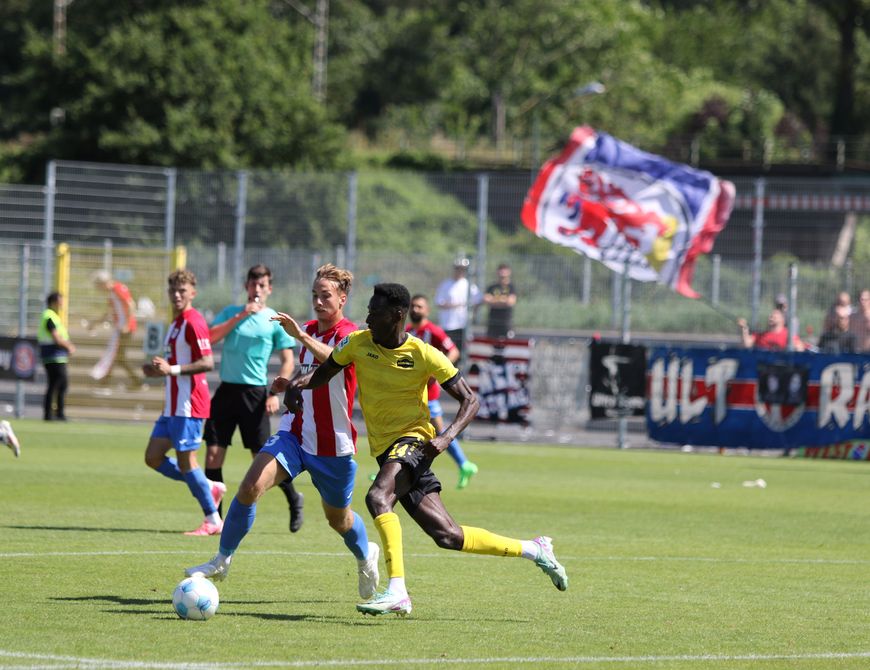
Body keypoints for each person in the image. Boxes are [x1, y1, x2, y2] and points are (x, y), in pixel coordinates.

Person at [284, 282, 568, 616]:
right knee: (448, 536)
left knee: (377, 497)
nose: (367, 317)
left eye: (374, 311)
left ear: (396, 315)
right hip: (387, 450)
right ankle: (534, 549)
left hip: (414, 441)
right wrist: (296, 384)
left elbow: (470, 400)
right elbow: (325, 372)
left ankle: (397, 591)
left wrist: (446, 437)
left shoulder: (423, 353)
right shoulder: (357, 343)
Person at [185, 264, 380, 600]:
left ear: (343, 299)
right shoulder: (304, 331)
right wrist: (288, 385)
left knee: (338, 519)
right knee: (249, 486)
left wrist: (301, 336)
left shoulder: (352, 335)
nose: (318, 302)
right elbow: (312, 376)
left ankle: (366, 557)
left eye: (326, 296)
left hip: (332, 444)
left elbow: (335, 361)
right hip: (295, 433)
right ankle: (222, 558)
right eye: (315, 295)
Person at [203, 264, 303, 532]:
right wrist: (240, 316)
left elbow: (287, 361)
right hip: (226, 392)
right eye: (252, 284)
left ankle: (294, 499)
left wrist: (273, 393)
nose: (256, 289)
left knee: (262, 459)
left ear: (269, 289)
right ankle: (215, 519)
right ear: (246, 286)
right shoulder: (231, 312)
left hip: (255, 394)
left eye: (262, 285)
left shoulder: (274, 320)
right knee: (213, 455)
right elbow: (210, 338)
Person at [142, 269, 224, 536]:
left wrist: (172, 370)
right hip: (173, 406)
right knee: (153, 457)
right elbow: (173, 364)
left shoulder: (193, 321)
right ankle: (207, 485)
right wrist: (156, 370)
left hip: (189, 405)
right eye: (173, 291)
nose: (176, 295)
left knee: (188, 463)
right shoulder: (176, 323)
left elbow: (207, 362)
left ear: (192, 293)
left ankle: (212, 519)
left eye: (182, 291)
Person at [407, 294, 478, 489]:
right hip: (410, 394)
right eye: (413, 306)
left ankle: (464, 464)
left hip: (428, 395)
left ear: (427, 310)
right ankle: (393, 469)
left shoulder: (433, 331)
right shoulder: (406, 332)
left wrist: (437, 373)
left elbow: (453, 351)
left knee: (438, 432)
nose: (415, 310)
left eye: (419, 306)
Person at [90, 270, 140, 386]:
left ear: (104, 282)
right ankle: (105, 381)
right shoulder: (111, 294)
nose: (99, 288)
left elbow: (130, 305)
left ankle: (136, 381)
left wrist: (127, 325)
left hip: (126, 328)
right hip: (120, 328)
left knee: (118, 356)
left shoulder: (118, 289)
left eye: (99, 285)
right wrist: (95, 323)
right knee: (116, 355)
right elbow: (108, 313)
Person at [38, 292, 76, 421]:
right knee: (55, 384)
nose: (62, 303)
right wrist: (68, 346)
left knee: (60, 384)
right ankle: (51, 414)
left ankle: (58, 413)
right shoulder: (49, 316)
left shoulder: (53, 316)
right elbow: (56, 337)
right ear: (53, 302)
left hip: (57, 355)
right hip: (52, 356)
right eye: (60, 300)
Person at [434, 258, 481, 357]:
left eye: (463, 269)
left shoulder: (469, 285)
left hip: (462, 325)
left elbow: (478, 300)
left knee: (460, 353)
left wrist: (473, 316)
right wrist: (456, 305)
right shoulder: (446, 284)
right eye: (458, 268)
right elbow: (439, 302)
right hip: (447, 325)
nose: (460, 271)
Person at [737, 308, 805, 351]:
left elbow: (800, 348)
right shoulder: (761, 335)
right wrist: (744, 329)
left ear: (782, 320)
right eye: (770, 316)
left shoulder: (788, 335)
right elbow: (746, 344)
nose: (771, 317)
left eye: (774, 316)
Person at [483, 263, 517, 339]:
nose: (502, 275)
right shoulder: (491, 287)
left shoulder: (511, 287)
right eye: (501, 272)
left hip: (506, 323)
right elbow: (486, 300)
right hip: (493, 323)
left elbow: (510, 302)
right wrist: (503, 300)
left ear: (509, 272)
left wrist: (494, 300)